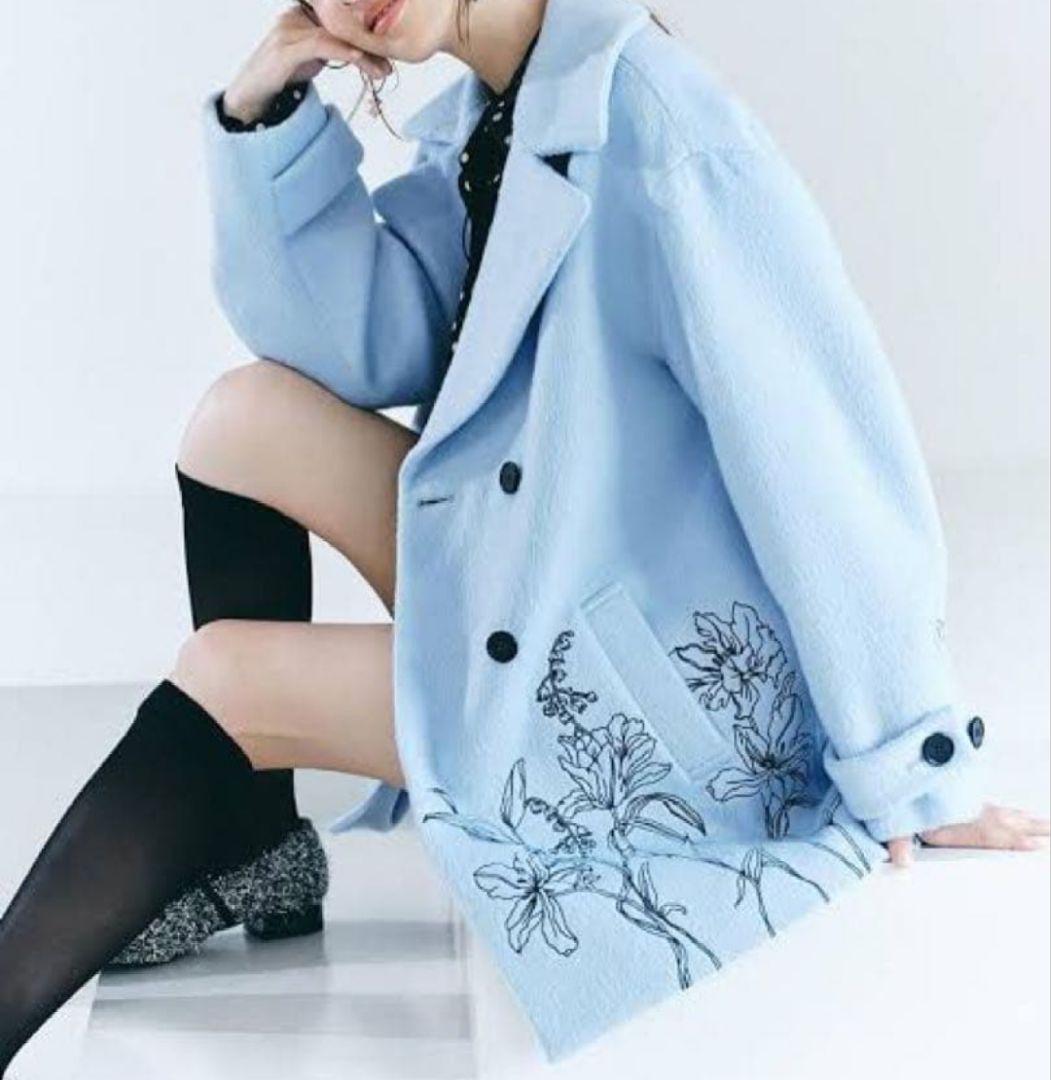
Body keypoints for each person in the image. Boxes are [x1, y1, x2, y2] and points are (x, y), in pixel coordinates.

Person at [1, 0, 1047, 1071]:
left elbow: (819, 454)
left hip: (658, 713)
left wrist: (911, 759)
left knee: (226, 676)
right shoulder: (501, 113)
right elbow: (366, 342)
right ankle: (254, 845)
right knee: (240, 421)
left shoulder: (666, 135)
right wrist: (262, 115)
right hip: (548, 575)